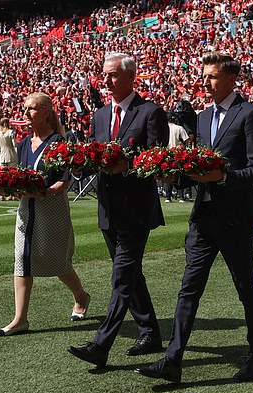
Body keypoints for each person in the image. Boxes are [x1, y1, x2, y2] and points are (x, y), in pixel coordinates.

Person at [136, 52, 253, 383]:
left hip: (236, 218)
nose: (204, 81)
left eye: (211, 76)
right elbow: (199, 165)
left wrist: (223, 177)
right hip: (204, 216)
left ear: (230, 78)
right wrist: (175, 177)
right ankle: (173, 360)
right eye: (204, 75)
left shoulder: (249, 114)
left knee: (245, 287)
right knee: (189, 288)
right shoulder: (204, 116)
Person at [68, 52, 169, 368]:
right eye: (105, 75)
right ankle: (150, 332)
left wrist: (126, 166)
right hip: (108, 210)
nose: (107, 81)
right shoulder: (99, 116)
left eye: (113, 75)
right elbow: (90, 155)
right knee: (131, 274)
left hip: (136, 211)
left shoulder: (151, 113)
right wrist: (77, 166)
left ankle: (101, 344)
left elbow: (156, 160)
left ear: (130, 77)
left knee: (121, 278)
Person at [0, 92, 90, 336]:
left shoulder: (60, 141)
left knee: (57, 262)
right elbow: (23, 175)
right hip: (27, 210)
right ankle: (20, 319)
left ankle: (81, 296)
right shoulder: (25, 143)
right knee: (22, 258)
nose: (27, 113)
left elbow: (65, 180)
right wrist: (15, 188)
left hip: (52, 210)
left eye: (32, 109)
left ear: (46, 112)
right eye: (26, 108)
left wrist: (45, 193)